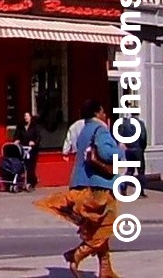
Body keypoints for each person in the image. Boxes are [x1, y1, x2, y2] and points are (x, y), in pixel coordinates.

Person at [36, 100, 120, 278]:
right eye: (103, 111)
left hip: (83, 182)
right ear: (97, 113)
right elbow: (106, 153)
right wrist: (120, 150)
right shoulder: (101, 129)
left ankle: (106, 269)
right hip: (100, 185)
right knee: (107, 225)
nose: (105, 115)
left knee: (97, 228)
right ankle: (77, 255)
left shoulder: (84, 130)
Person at [16, 110, 42, 189]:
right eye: (24, 116)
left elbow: (38, 137)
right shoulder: (20, 126)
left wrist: (34, 142)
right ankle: (22, 180)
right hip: (23, 148)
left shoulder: (34, 127)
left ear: (30, 117)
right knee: (22, 164)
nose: (25, 118)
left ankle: (31, 181)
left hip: (32, 149)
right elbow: (17, 135)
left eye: (27, 116)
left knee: (31, 166)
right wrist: (17, 140)